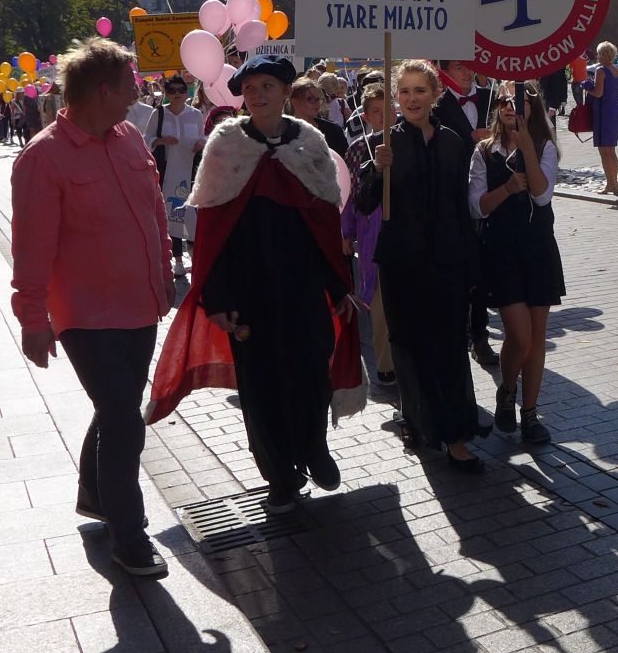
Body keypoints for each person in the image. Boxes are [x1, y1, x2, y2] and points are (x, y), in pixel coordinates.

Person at [148, 55, 364, 512]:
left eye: (268, 86)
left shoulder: (310, 141)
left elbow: (325, 223)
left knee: (312, 372)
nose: (258, 95)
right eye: (250, 88)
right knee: (261, 385)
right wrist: (218, 297)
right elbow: (212, 230)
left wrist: (338, 285)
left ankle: (313, 447)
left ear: (286, 92)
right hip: (249, 291)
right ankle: (279, 476)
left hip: (304, 286)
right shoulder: (227, 144)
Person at [11, 39, 174, 578]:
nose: (137, 94)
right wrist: (33, 320)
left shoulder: (130, 138)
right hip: (86, 315)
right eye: (130, 85)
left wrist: (163, 272)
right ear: (103, 90)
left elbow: (154, 211)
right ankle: (129, 537)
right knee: (125, 422)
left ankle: (96, 494)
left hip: (139, 305)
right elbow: (31, 248)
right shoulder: (43, 156)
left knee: (117, 408)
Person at [361, 60, 488, 471]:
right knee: (410, 346)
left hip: (448, 259)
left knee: (450, 345)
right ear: (396, 98)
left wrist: (472, 266)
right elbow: (364, 202)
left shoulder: (452, 141)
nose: (412, 98)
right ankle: (417, 422)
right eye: (405, 91)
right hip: (403, 261)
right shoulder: (386, 143)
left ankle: (456, 435)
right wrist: (377, 168)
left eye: (420, 90)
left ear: (435, 94)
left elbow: (462, 207)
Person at [469, 89, 562, 445]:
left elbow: (542, 194)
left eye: (518, 100)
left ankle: (530, 412)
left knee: (537, 337)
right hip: (502, 251)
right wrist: (507, 188)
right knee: (519, 335)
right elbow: (477, 206)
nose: (510, 107)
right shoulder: (484, 151)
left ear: (532, 106)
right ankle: (508, 389)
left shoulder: (544, 147)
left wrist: (527, 150)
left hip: (538, 249)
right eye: (504, 101)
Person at [431, 60, 500, 369]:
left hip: (489, 198)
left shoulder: (491, 98)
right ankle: (458, 335)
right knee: (459, 270)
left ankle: (480, 337)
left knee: (484, 269)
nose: (467, 72)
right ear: (445, 71)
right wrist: (469, 141)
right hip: (453, 200)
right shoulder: (437, 105)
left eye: (469, 66)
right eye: (459, 67)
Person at [341, 83, 393, 389]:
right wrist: (346, 231)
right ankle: (385, 365)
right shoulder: (358, 149)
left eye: (387, 110)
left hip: (404, 232)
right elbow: (349, 194)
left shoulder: (406, 141)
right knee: (378, 301)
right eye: (376, 111)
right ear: (366, 115)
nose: (383, 117)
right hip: (372, 232)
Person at [141, 75, 203, 279]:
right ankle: (177, 260)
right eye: (172, 90)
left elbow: (203, 137)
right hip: (166, 170)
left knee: (191, 213)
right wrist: (160, 141)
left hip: (191, 170)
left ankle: (196, 258)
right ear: (166, 93)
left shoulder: (195, 114)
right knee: (172, 213)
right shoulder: (158, 114)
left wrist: (202, 143)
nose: (177, 94)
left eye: (181, 90)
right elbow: (146, 139)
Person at [587, 41, 618, 196]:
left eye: (599, 53)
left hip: (603, 113)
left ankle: (611, 184)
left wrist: (587, 88)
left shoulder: (600, 70)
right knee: (611, 150)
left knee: (604, 151)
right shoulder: (616, 70)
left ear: (603, 54)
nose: (598, 56)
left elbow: (598, 93)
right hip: (615, 111)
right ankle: (614, 183)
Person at [290, 78, 348, 156]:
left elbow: (344, 159)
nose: (316, 103)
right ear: (295, 102)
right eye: (310, 99)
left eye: (318, 99)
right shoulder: (283, 133)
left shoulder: (334, 130)